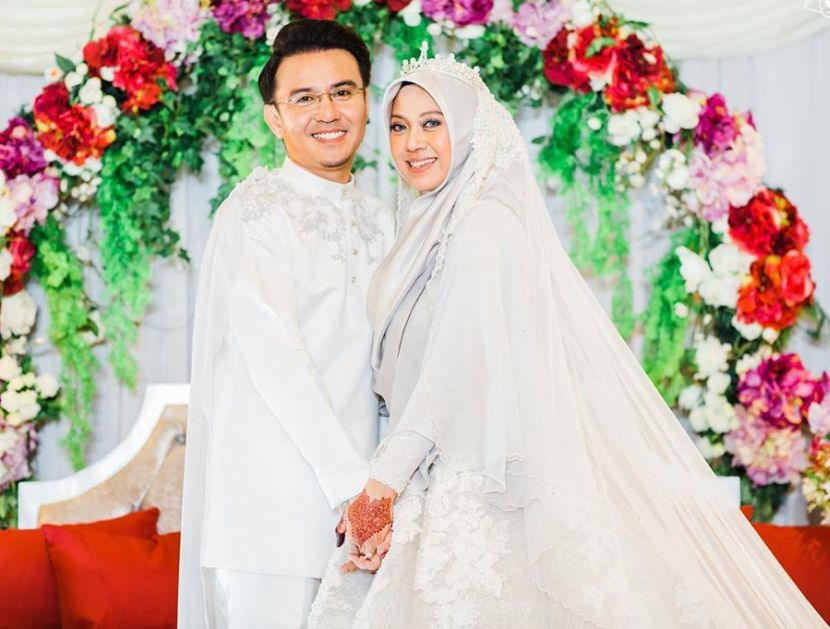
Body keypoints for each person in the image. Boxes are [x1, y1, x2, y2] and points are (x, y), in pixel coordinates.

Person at [307, 49, 827, 628]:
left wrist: (380, 487)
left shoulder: (483, 224)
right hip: (438, 472)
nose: (413, 143)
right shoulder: (431, 225)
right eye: (399, 127)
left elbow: (450, 372)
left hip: (483, 486)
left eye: (433, 123)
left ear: (470, 129)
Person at [178, 20, 394, 628]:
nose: (327, 112)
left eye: (343, 92)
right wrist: (355, 490)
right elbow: (277, 358)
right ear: (274, 118)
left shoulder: (383, 220)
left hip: (367, 515)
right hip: (269, 515)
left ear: (365, 101)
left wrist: (386, 489)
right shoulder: (255, 213)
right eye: (304, 98)